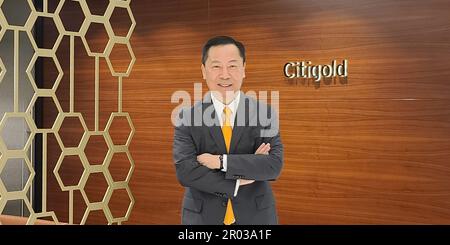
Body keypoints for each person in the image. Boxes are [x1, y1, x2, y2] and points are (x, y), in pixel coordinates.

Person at [173, 36, 283, 225]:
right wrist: (239, 180)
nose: (225, 75)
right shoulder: (186, 117)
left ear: (243, 70)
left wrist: (220, 161)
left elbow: (272, 166)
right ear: (203, 71)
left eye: (232, 66)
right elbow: (186, 171)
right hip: (202, 218)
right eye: (216, 66)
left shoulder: (265, 113)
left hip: (255, 217)